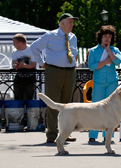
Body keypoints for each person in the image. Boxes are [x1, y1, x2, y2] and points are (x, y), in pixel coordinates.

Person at [30, 13, 79, 143]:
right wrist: (42, 64)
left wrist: (73, 63)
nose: (72, 24)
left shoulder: (73, 37)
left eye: (73, 22)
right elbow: (34, 47)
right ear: (62, 23)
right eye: (70, 22)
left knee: (67, 105)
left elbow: (74, 52)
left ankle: (65, 133)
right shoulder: (50, 35)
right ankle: (52, 134)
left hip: (70, 72)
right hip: (54, 71)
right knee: (52, 103)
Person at [88, 25, 121, 142]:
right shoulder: (93, 51)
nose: (107, 38)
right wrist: (106, 61)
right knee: (95, 108)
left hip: (112, 82)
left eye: (109, 36)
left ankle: (108, 137)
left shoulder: (115, 50)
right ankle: (92, 135)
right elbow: (91, 67)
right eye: (105, 36)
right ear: (100, 37)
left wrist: (108, 51)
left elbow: (117, 61)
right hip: (99, 83)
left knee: (111, 109)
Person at [12, 33, 37, 100]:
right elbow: (13, 63)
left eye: (14, 43)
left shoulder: (32, 50)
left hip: (30, 77)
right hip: (19, 77)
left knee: (28, 97)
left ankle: (28, 110)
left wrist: (23, 65)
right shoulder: (14, 51)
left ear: (20, 43)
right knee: (17, 97)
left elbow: (34, 65)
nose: (13, 45)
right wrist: (16, 66)